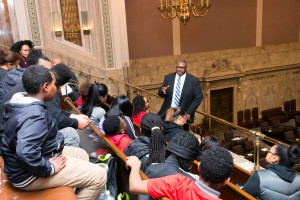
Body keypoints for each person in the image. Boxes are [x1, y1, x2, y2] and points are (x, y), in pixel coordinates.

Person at [1, 65, 106, 200]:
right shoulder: (35, 116)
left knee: (82, 154)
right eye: (54, 85)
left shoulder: (21, 99)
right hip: (27, 174)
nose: (57, 88)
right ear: (45, 87)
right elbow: (25, 152)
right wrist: (49, 168)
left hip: (32, 159)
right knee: (99, 176)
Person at [126, 147, 234, 200]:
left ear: (199, 167)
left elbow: (134, 186)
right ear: (226, 181)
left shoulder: (177, 183)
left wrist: (136, 165)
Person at [158, 60, 203, 130]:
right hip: (169, 111)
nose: (179, 69)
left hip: (183, 114)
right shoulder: (168, 77)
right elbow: (161, 92)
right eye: (178, 67)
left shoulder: (193, 80)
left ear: (186, 68)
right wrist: (161, 91)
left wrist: (189, 112)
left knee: (181, 135)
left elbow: (199, 97)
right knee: (165, 131)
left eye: (182, 68)